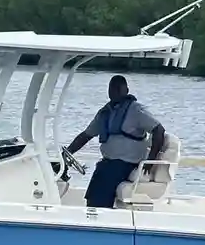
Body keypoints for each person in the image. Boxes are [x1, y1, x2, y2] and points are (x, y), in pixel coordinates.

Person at [64, 75, 166, 209]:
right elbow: (85, 135)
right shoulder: (105, 113)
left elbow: (159, 130)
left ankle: (101, 214)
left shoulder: (136, 110)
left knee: (103, 186)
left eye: (119, 88)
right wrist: (67, 152)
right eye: (112, 88)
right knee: (95, 187)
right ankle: (94, 214)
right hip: (108, 162)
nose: (115, 92)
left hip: (127, 163)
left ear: (126, 90)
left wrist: (151, 159)